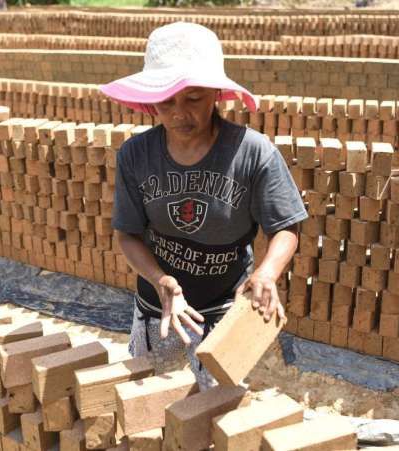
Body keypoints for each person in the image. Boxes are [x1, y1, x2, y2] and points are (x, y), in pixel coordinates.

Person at [100, 21, 307, 390]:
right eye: (166, 101)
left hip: (225, 310)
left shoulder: (253, 153)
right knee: (144, 401)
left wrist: (267, 273)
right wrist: (161, 281)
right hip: (159, 308)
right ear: (151, 104)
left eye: (194, 98)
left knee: (216, 409)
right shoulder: (136, 155)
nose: (179, 112)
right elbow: (127, 235)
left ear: (215, 94)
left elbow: (286, 227)